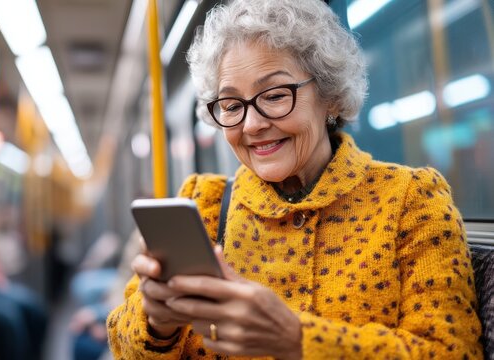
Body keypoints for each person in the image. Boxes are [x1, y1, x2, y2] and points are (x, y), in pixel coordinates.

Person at [106, 0, 483, 358]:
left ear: (330, 96)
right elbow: (123, 343)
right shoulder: (200, 203)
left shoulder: (411, 200)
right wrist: (156, 324)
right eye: (232, 105)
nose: (252, 124)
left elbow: (451, 352)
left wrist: (297, 340)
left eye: (274, 95)